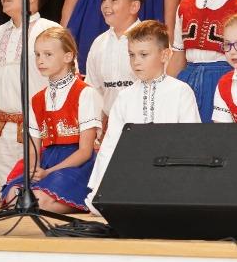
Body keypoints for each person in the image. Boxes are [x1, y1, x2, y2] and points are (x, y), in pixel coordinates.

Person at [85, 20, 201, 214]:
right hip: (133, 174)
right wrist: (100, 189)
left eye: (144, 55)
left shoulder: (181, 91)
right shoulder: (125, 97)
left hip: (171, 175)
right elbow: (110, 146)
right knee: (100, 205)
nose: (136, 61)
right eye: (131, 55)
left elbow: (191, 141)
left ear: (165, 55)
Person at [0, 28, 102, 213]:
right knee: (14, 196)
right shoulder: (37, 99)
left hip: (76, 163)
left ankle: (81, 204)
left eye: (48, 54)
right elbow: (33, 148)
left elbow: (85, 151)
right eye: (37, 54)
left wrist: (49, 172)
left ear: (68, 56)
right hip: (47, 160)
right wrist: (34, 169)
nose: (40, 60)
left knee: (37, 201)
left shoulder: (85, 93)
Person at [0, 0, 60, 181]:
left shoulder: (50, 30)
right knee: (8, 187)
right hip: (4, 125)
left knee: (36, 183)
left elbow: (64, 78)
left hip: (39, 124)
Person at [84, 0, 145, 125]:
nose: (106, 5)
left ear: (134, 6)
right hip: (110, 127)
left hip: (144, 126)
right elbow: (93, 91)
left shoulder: (151, 40)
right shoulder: (99, 43)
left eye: (113, 0)